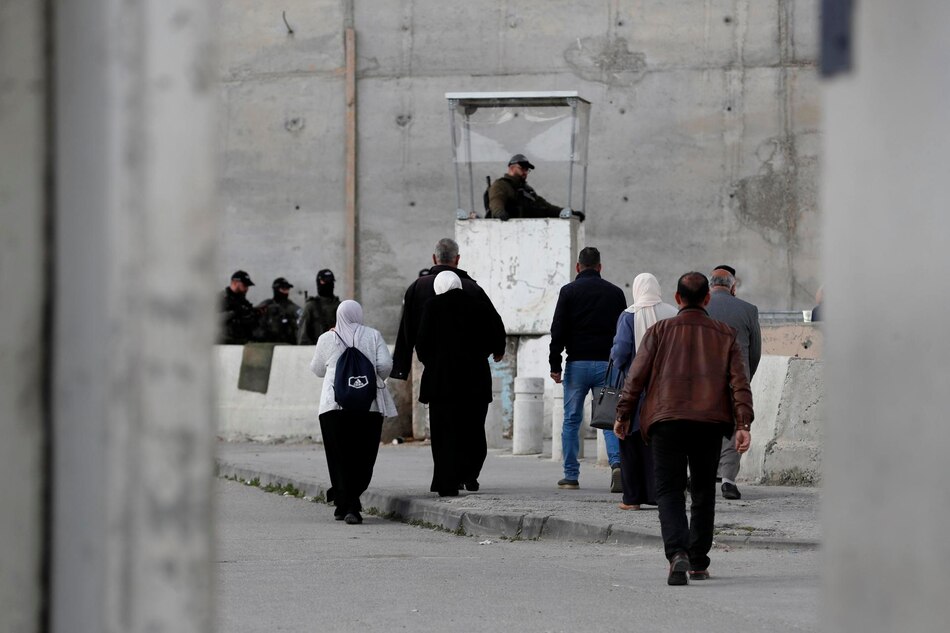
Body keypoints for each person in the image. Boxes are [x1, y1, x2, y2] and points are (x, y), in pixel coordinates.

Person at [614, 272, 754, 585]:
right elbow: (738, 383)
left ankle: (677, 553)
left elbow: (635, 377)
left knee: (669, 491)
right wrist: (743, 423)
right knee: (704, 492)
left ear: (677, 298)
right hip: (709, 423)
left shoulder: (659, 331)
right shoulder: (725, 333)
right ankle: (699, 561)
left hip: (666, 422)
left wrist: (624, 415)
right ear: (707, 299)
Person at [415, 271, 507, 496]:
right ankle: (469, 474)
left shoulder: (432, 306)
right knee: (473, 430)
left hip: (442, 383)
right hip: (475, 380)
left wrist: (436, 362)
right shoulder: (479, 305)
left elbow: (422, 345)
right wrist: (485, 352)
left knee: (444, 432)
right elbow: (495, 334)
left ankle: (447, 482)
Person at [309, 300, 397, 525]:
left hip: (333, 407)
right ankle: (350, 503)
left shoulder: (327, 338)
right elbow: (386, 365)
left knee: (338, 457)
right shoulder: (373, 335)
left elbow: (317, 370)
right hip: (369, 406)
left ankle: (343, 503)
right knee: (363, 456)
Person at [549, 246, 627, 490]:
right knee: (608, 417)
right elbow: (623, 331)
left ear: (578, 267)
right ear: (600, 267)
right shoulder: (615, 293)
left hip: (577, 364)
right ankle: (617, 466)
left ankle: (571, 475)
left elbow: (558, 329)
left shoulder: (568, 291)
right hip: (607, 365)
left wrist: (555, 364)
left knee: (571, 420)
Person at [609, 273, 678, 510]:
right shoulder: (672, 313)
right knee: (661, 445)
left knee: (630, 442)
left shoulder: (629, 316)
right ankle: (661, 495)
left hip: (635, 389)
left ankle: (632, 499)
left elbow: (620, 352)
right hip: (667, 389)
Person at [391, 237, 504, 381]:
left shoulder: (417, 287)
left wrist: (401, 367)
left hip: (435, 367)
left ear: (434, 258)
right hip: (470, 368)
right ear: (457, 259)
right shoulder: (472, 288)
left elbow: (406, 329)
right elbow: (493, 321)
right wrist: (498, 349)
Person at [706, 266, 761, 500]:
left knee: (704, 425)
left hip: (703, 378)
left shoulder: (701, 307)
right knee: (734, 426)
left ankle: (701, 474)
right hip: (736, 377)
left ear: (711, 285)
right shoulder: (748, 310)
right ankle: (728, 481)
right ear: (733, 287)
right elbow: (755, 351)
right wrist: (746, 376)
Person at [486, 154, 585, 222]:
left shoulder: (527, 190)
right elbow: (496, 200)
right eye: (522, 169)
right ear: (512, 168)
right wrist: (500, 213)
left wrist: (570, 213)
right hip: (509, 232)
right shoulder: (501, 185)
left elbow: (546, 208)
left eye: (526, 170)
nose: (525, 173)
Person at [297, 269, 341, 345]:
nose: (328, 284)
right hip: (316, 350)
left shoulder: (340, 306)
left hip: (337, 350)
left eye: (330, 281)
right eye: (324, 281)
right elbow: (303, 337)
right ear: (318, 282)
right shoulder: (311, 306)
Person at [255, 277, 302, 344]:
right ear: (276, 289)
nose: (286, 292)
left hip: (286, 344)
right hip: (266, 343)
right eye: (283, 289)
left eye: (287, 289)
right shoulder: (266, 305)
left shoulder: (292, 307)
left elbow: (301, 319)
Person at [220, 270, 259, 344]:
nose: (247, 289)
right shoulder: (221, 299)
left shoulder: (243, 301)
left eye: (247, 286)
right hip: (225, 344)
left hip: (242, 342)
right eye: (244, 285)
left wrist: (255, 313)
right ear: (234, 283)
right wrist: (234, 312)